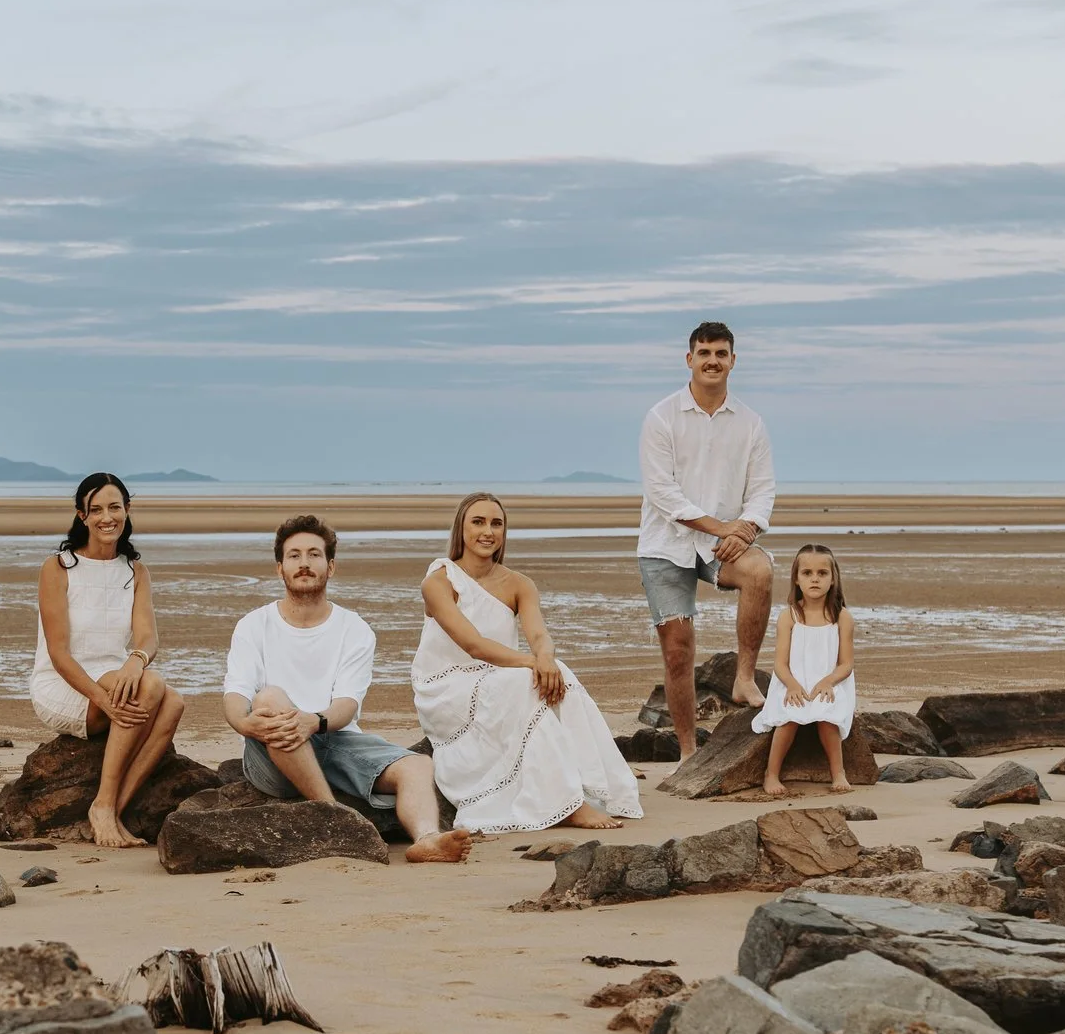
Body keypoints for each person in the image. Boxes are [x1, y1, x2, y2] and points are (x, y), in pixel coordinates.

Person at [223, 514, 472, 864]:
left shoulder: (353, 629)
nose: (304, 563)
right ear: (280, 568)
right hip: (271, 751)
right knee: (268, 697)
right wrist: (245, 724)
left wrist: (311, 722)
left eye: (314, 554)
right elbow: (236, 694)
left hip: (333, 739)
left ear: (331, 566)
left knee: (418, 766)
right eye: (294, 556)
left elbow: (346, 705)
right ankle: (335, 818)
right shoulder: (254, 625)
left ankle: (427, 839)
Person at [412, 492, 643, 833]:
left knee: (559, 673)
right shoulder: (438, 582)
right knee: (526, 680)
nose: (487, 531)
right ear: (461, 529)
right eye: (478, 522)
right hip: (446, 685)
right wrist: (531, 664)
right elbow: (473, 644)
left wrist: (545, 658)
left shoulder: (519, 583)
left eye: (497, 523)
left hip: (498, 673)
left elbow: (538, 635)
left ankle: (586, 782)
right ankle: (568, 805)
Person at [637, 320, 777, 753]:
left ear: (733, 361)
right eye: (704, 353)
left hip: (723, 545)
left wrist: (747, 529)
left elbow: (762, 489)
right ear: (689, 359)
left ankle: (744, 678)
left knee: (760, 569)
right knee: (678, 651)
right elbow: (663, 493)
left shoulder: (751, 423)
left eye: (720, 353)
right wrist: (723, 526)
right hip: (665, 544)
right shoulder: (661, 417)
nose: (712, 361)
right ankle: (687, 751)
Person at [30, 472, 187, 848]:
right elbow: (59, 653)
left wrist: (136, 660)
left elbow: (148, 636)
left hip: (115, 677)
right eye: (96, 509)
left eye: (115, 507)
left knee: (174, 702)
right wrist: (103, 702)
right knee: (152, 685)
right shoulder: (58, 567)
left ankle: (112, 808)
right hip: (64, 683)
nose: (107, 517)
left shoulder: (135, 571)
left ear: (127, 510)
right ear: (81, 516)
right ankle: (102, 805)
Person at [755, 543, 857, 798]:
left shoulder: (841, 617)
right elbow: (780, 663)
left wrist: (828, 682)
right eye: (807, 573)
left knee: (827, 716)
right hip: (793, 680)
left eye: (822, 573)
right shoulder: (789, 616)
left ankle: (838, 772)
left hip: (830, 681)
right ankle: (771, 774)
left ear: (833, 579)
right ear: (797, 579)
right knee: (789, 716)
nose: (815, 579)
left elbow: (846, 663)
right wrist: (791, 685)